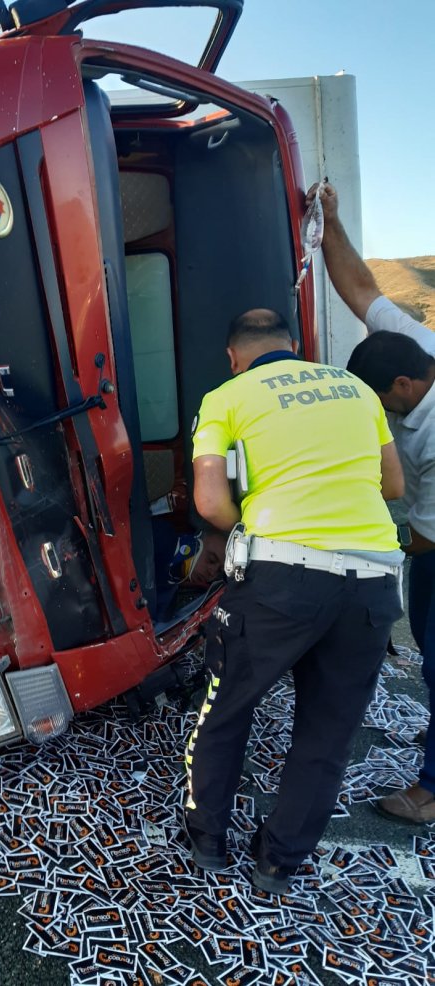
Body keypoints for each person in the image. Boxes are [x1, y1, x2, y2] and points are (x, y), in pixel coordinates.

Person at [185, 308, 404, 894]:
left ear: (235, 357)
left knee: (227, 706)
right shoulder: (356, 389)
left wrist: (247, 531)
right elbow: (392, 486)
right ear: (296, 346)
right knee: (327, 732)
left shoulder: (227, 396)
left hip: (283, 575)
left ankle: (207, 836)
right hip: (373, 579)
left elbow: (210, 501)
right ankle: (279, 862)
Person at [314, 182, 435, 823]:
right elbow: (361, 288)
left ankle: (431, 791)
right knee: (423, 632)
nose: (374, 415)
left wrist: (357, 547)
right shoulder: (410, 348)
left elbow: (425, 538)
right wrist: (330, 221)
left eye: (378, 403)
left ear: (403, 386)